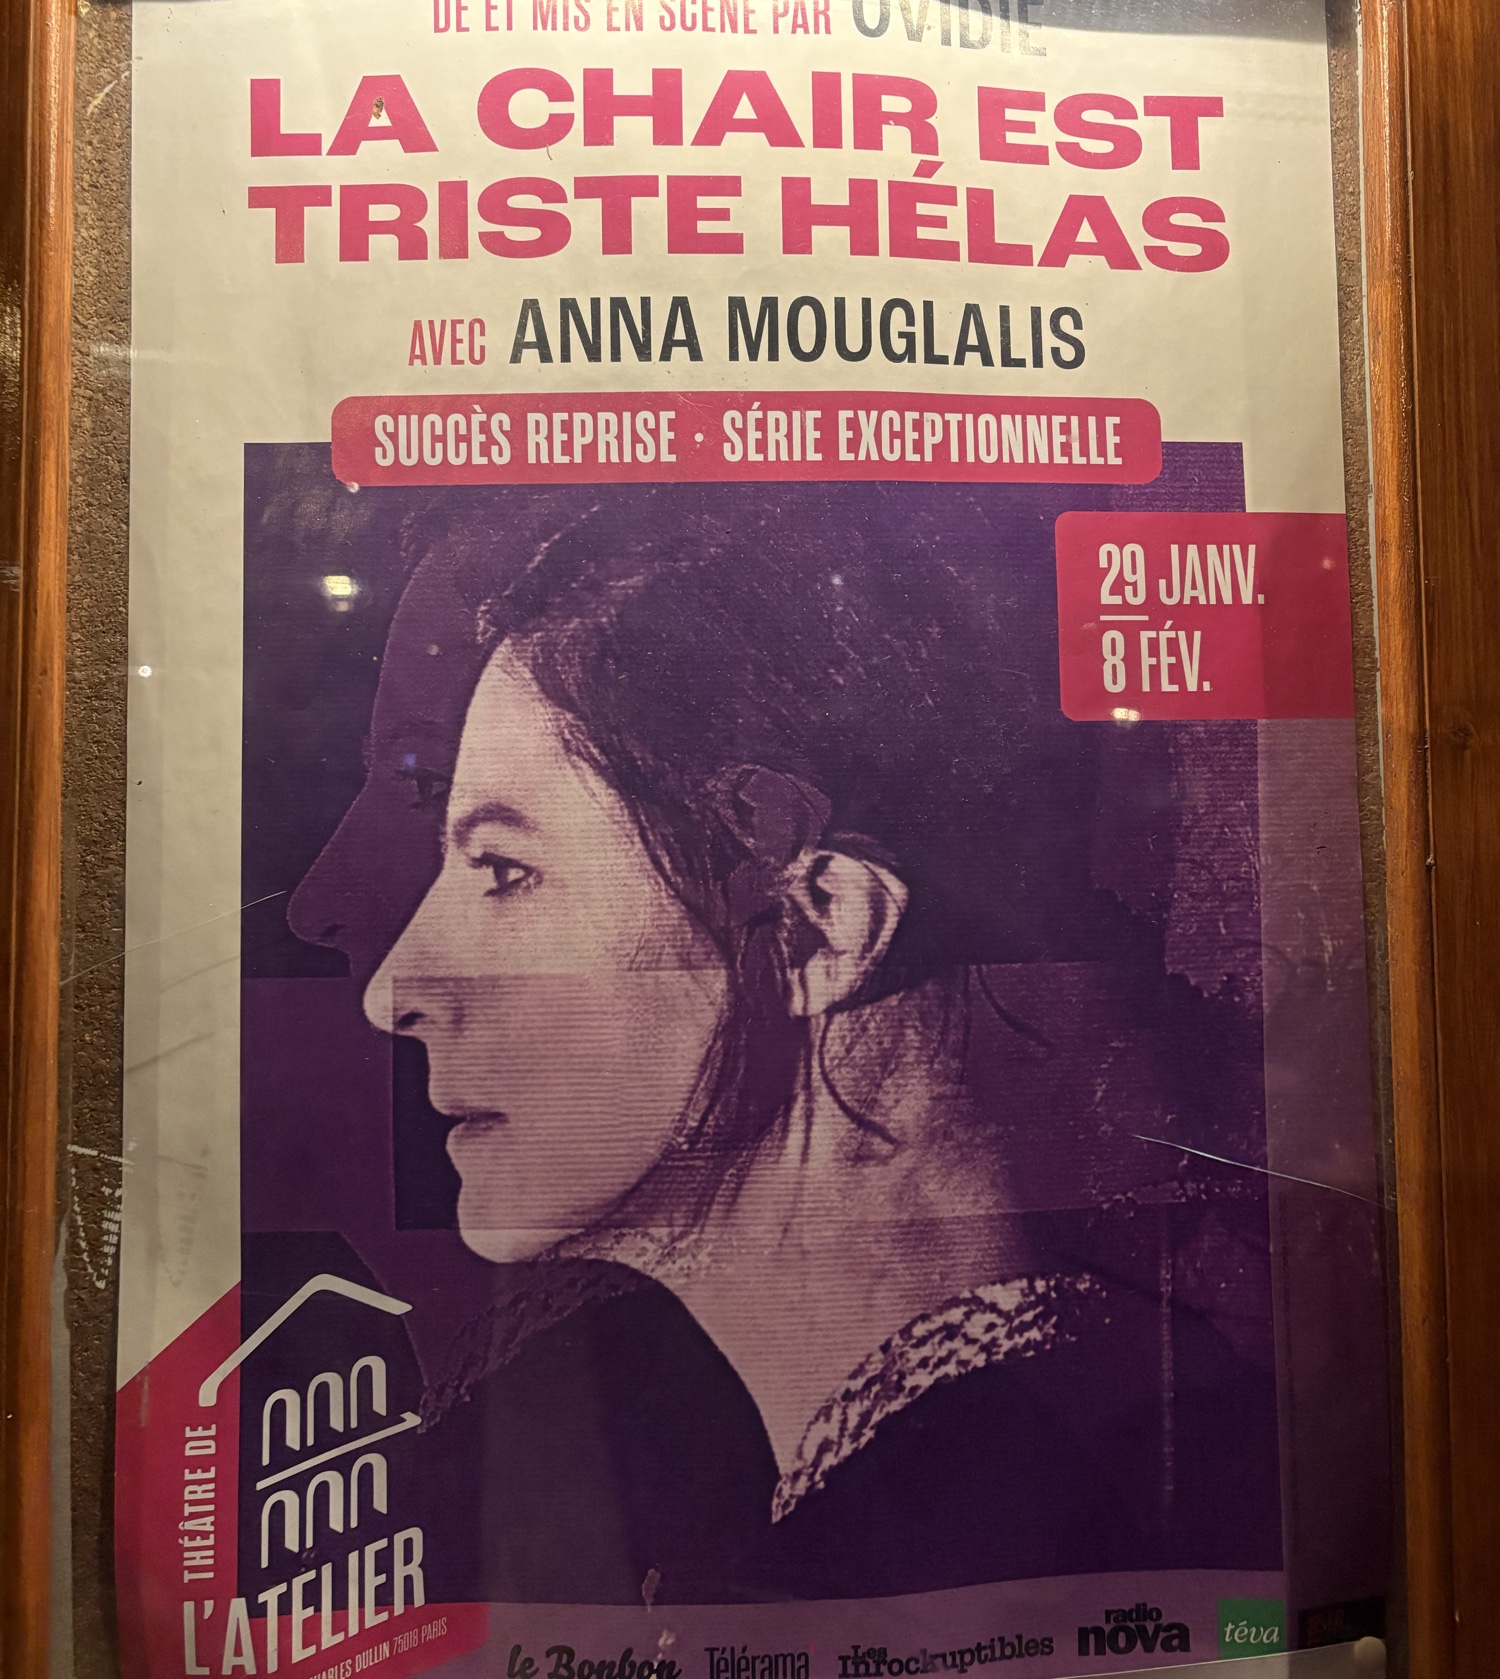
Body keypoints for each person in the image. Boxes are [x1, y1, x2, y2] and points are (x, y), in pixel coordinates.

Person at [288, 482, 1280, 1604]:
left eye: (505, 870)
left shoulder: (995, 1528)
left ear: (820, 928)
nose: (396, 990)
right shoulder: (1008, 1452)